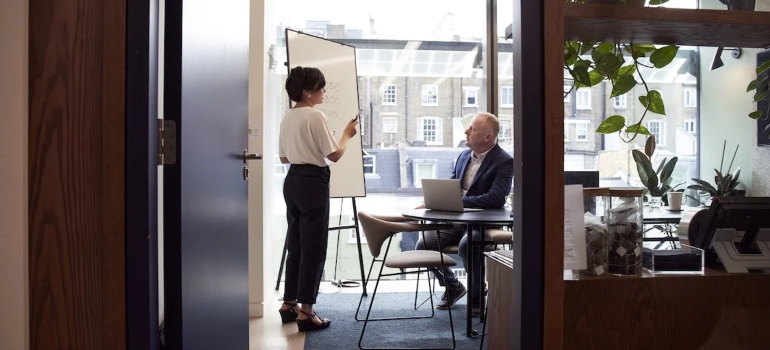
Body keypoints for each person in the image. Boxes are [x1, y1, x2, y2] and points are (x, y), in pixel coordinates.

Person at [277, 66, 358, 332]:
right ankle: (307, 312)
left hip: (293, 181)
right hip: (313, 183)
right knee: (314, 247)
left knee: (296, 243)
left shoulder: (288, 117)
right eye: (321, 88)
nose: (324, 92)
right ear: (308, 92)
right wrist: (346, 134)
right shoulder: (315, 115)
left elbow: (284, 158)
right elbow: (333, 155)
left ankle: (289, 304)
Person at [415, 112, 513, 313]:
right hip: (458, 220)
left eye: (472, 129)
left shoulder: (504, 161)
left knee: (467, 245)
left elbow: (495, 198)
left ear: (488, 137)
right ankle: (453, 286)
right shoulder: (462, 157)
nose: (466, 131)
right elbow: (452, 187)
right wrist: (434, 200)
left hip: (483, 223)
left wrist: (459, 201)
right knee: (424, 244)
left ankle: (477, 296)